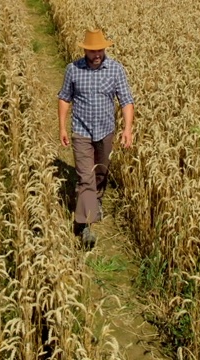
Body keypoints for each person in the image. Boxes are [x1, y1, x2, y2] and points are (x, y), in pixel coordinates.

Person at [57, 28, 135, 249]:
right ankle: (86, 226)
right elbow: (64, 98)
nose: (96, 54)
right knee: (85, 178)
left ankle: (95, 200)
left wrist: (127, 129)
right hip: (81, 131)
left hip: (106, 131)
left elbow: (126, 100)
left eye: (99, 50)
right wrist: (62, 127)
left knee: (101, 171)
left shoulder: (115, 70)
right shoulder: (73, 69)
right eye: (92, 51)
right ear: (85, 50)